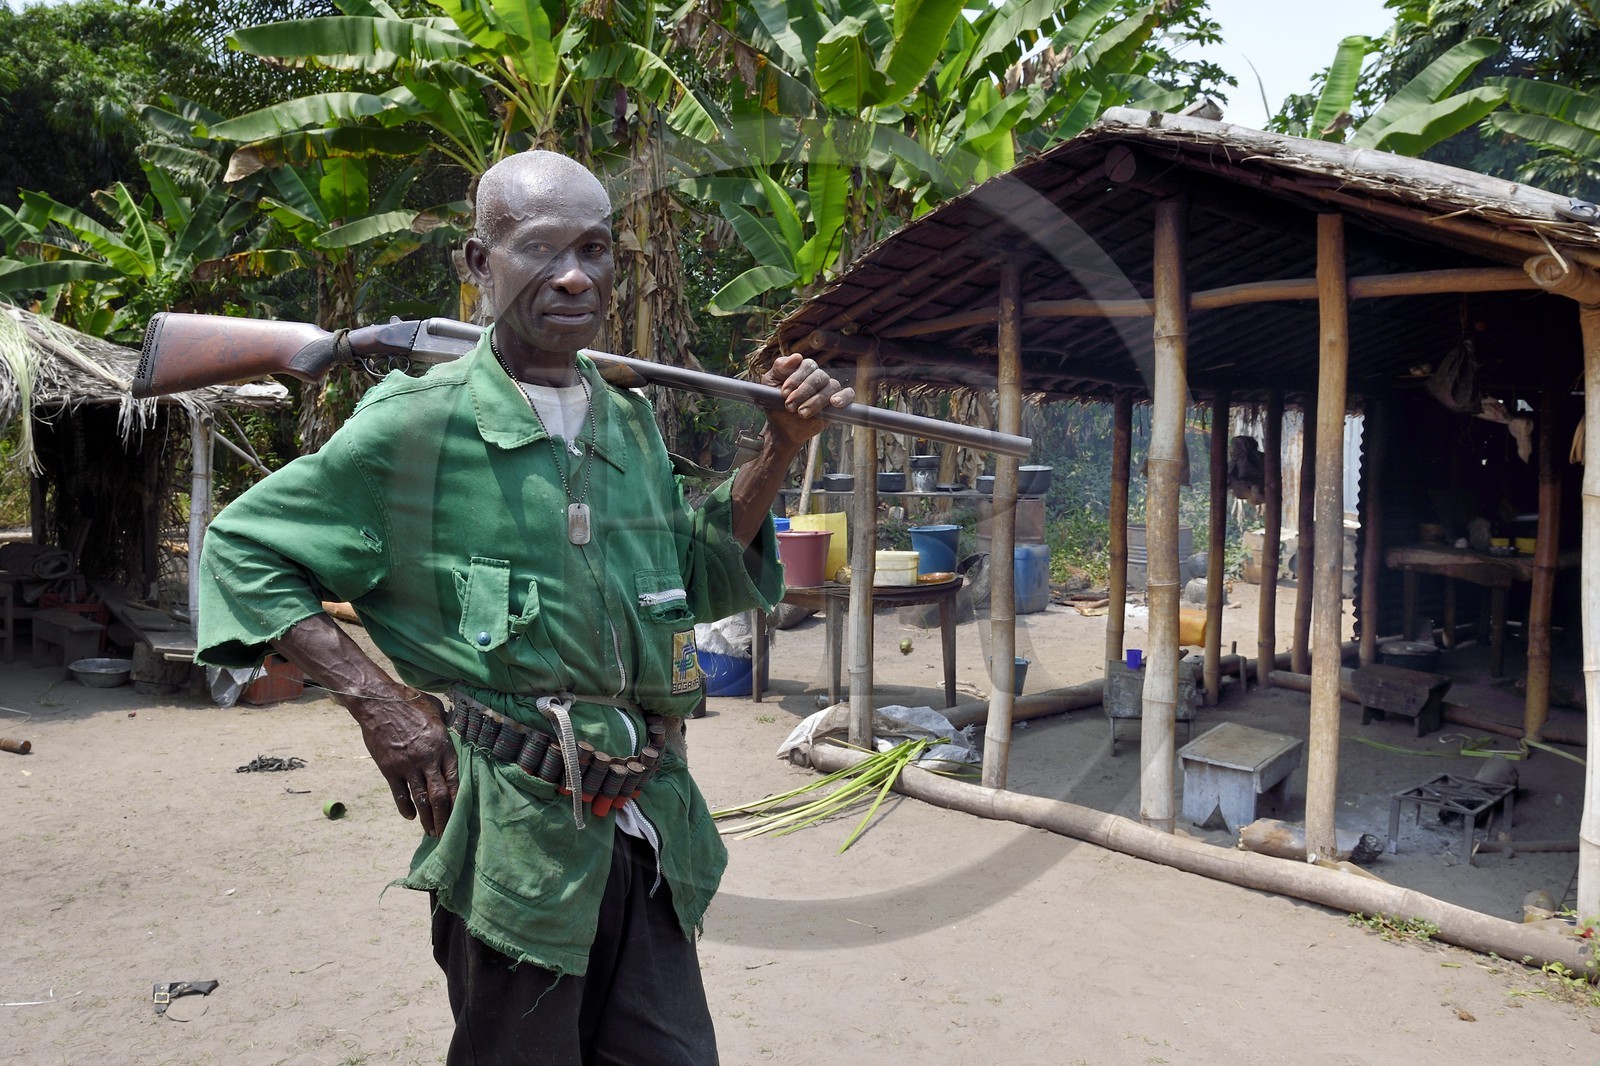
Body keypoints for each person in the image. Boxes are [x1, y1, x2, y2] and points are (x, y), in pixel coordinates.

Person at [196, 149, 853, 1064]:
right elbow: (242, 546)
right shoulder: (414, 425)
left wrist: (780, 448)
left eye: (596, 248)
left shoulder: (627, 423)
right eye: (542, 250)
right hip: (515, 834)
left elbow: (699, 574)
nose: (576, 275)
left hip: (648, 821)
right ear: (478, 264)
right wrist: (383, 704)